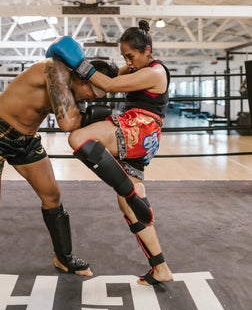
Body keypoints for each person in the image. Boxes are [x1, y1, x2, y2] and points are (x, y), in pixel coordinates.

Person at [0, 57, 118, 306]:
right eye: (94, 91)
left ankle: (64, 257)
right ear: (82, 75)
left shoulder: (74, 84)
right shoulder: (55, 72)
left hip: (25, 140)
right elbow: (68, 123)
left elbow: (88, 103)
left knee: (52, 196)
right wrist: (95, 116)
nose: (93, 98)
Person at [46, 20, 173, 286]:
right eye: (125, 56)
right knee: (131, 208)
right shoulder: (139, 66)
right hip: (143, 136)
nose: (128, 61)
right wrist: (77, 67)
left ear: (147, 50)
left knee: (78, 137)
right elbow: (110, 76)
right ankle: (160, 267)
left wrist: (79, 62)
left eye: (131, 55)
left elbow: (111, 86)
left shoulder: (155, 72)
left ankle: (129, 192)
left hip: (141, 127)